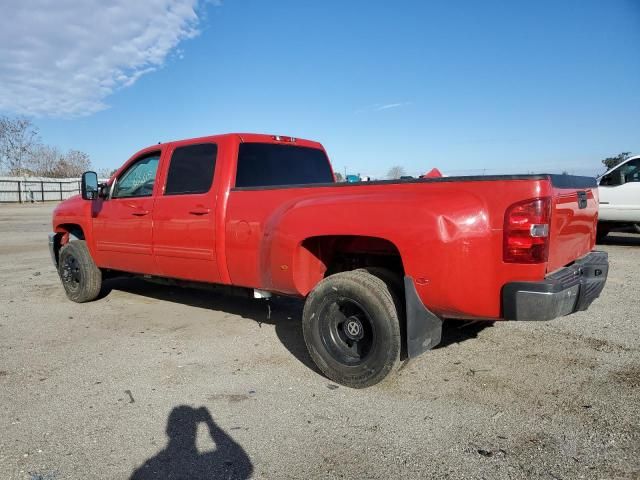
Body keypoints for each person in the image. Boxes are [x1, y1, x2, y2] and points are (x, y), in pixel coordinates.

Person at [130, 405, 253, 480]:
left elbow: (245, 467)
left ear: (169, 430)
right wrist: (210, 423)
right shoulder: (149, 468)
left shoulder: (146, 469)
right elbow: (244, 464)